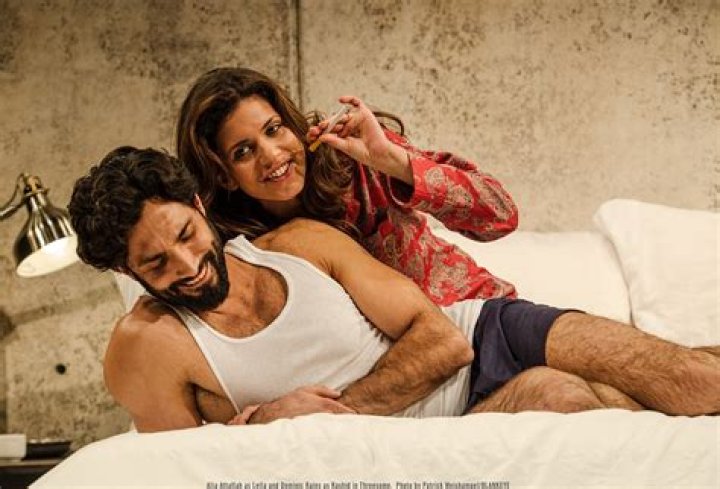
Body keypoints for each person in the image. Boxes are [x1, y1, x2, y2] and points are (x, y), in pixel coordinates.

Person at [68, 147, 719, 433]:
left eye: (187, 234)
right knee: (572, 401)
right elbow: (190, 469)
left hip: (484, 330)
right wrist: (264, 424)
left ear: (198, 205)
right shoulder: (147, 346)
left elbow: (443, 340)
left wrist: (331, 413)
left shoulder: (299, 244)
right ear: (127, 271)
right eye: (156, 263)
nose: (189, 264)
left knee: (693, 378)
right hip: (446, 420)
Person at [176, 67, 518, 306]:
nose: (272, 155)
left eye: (274, 129)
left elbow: (501, 216)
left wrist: (392, 161)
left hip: (482, 315)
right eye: (243, 151)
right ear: (223, 175)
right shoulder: (245, 251)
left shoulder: (356, 158)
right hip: (413, 365)